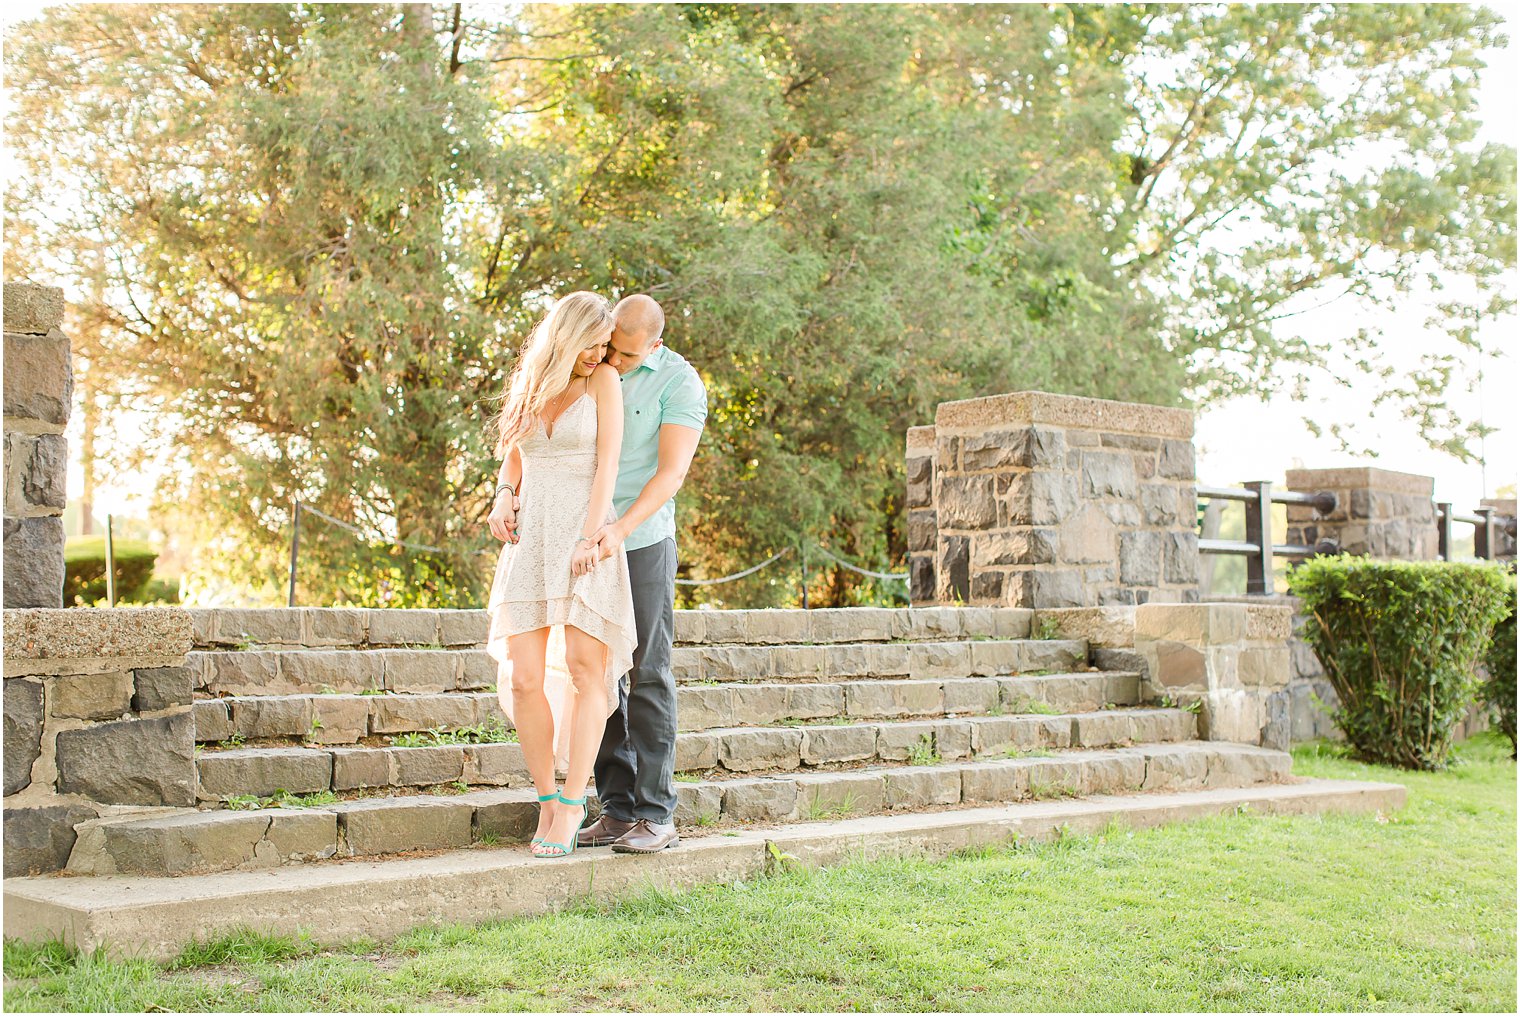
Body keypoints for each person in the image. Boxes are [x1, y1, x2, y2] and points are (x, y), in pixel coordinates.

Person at [484, 291, 636, 860]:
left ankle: (574, 803)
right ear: (565, 338)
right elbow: (515, 451)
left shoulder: (605, 383)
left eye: (606, 345)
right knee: (524, 676)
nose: (602, 354)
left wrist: (589, 535)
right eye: (593, 344)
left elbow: (609, 464)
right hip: (530, 538)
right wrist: (503, 494)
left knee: (583, 669)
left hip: (583, 532)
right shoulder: (530, 383)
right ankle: (546, 796)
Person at [576, 293, 707, 854]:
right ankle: (617, 809)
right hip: (582, 537)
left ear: (654, 344)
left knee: (646, 671)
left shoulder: (681, 383)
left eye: (626, 356)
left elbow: (672, 472)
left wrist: (621, 529)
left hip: (641, 539)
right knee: (594, 673)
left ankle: (656, 813)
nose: (614, 363)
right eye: (610, 350)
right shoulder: (590, 361)